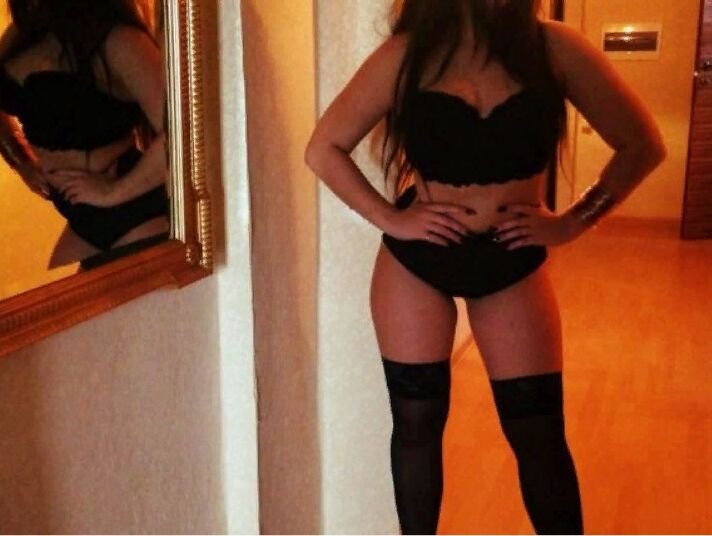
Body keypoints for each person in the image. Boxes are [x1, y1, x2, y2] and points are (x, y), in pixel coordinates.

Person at [305, 0, 666, 534]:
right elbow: (324, 148)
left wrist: (572, 222)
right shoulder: (406, 55)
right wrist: (390, 218)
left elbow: (641, 146)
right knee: (416, 425)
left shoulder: (555, 48)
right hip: (416, 264)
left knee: (538, 434)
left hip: (511, 257)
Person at [0, 0, 168, 270]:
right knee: (56, 293)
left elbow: (181, 134)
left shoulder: (119, 40)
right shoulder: (24, 34)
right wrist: (21, 161)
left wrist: (113, 192)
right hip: (82, 216)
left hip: (133, 211)